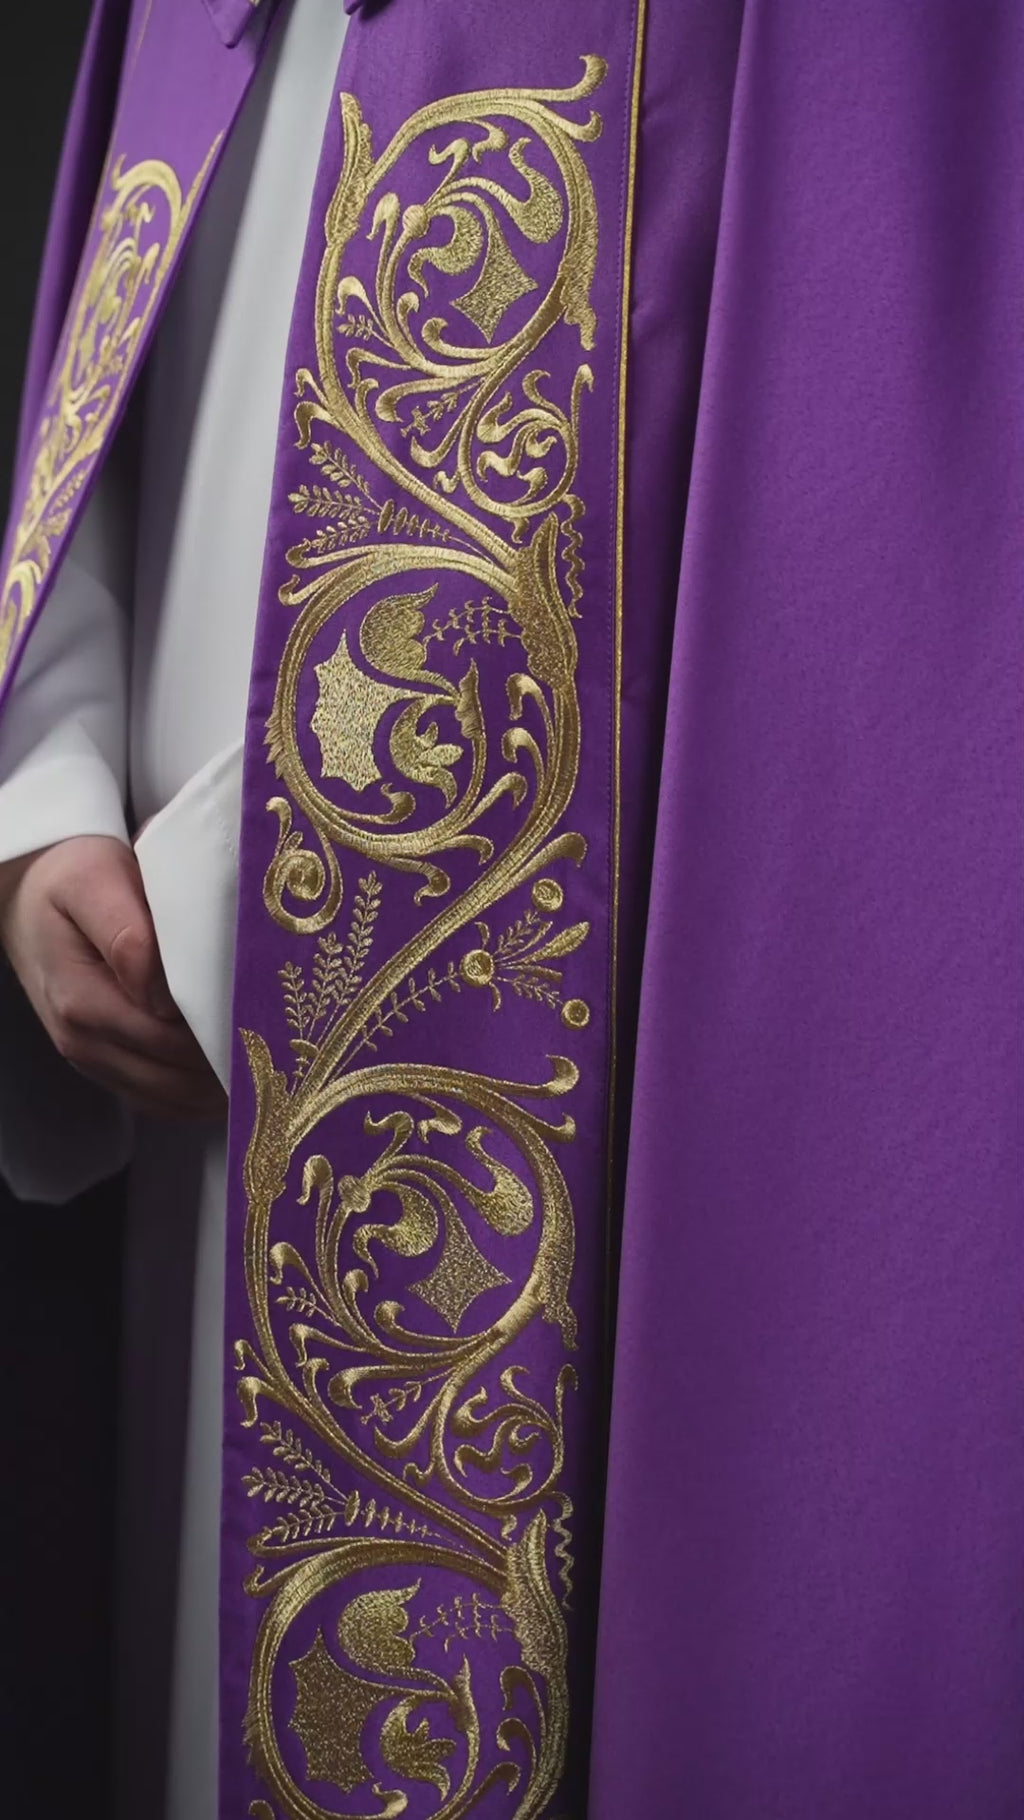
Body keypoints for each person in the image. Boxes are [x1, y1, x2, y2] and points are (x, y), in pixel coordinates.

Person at [0, 2, 1021, 1817]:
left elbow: (870, 531)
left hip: (565, 988)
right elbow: (150, 241)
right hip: (169, 924)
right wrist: (51, 774)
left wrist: (281, 857)